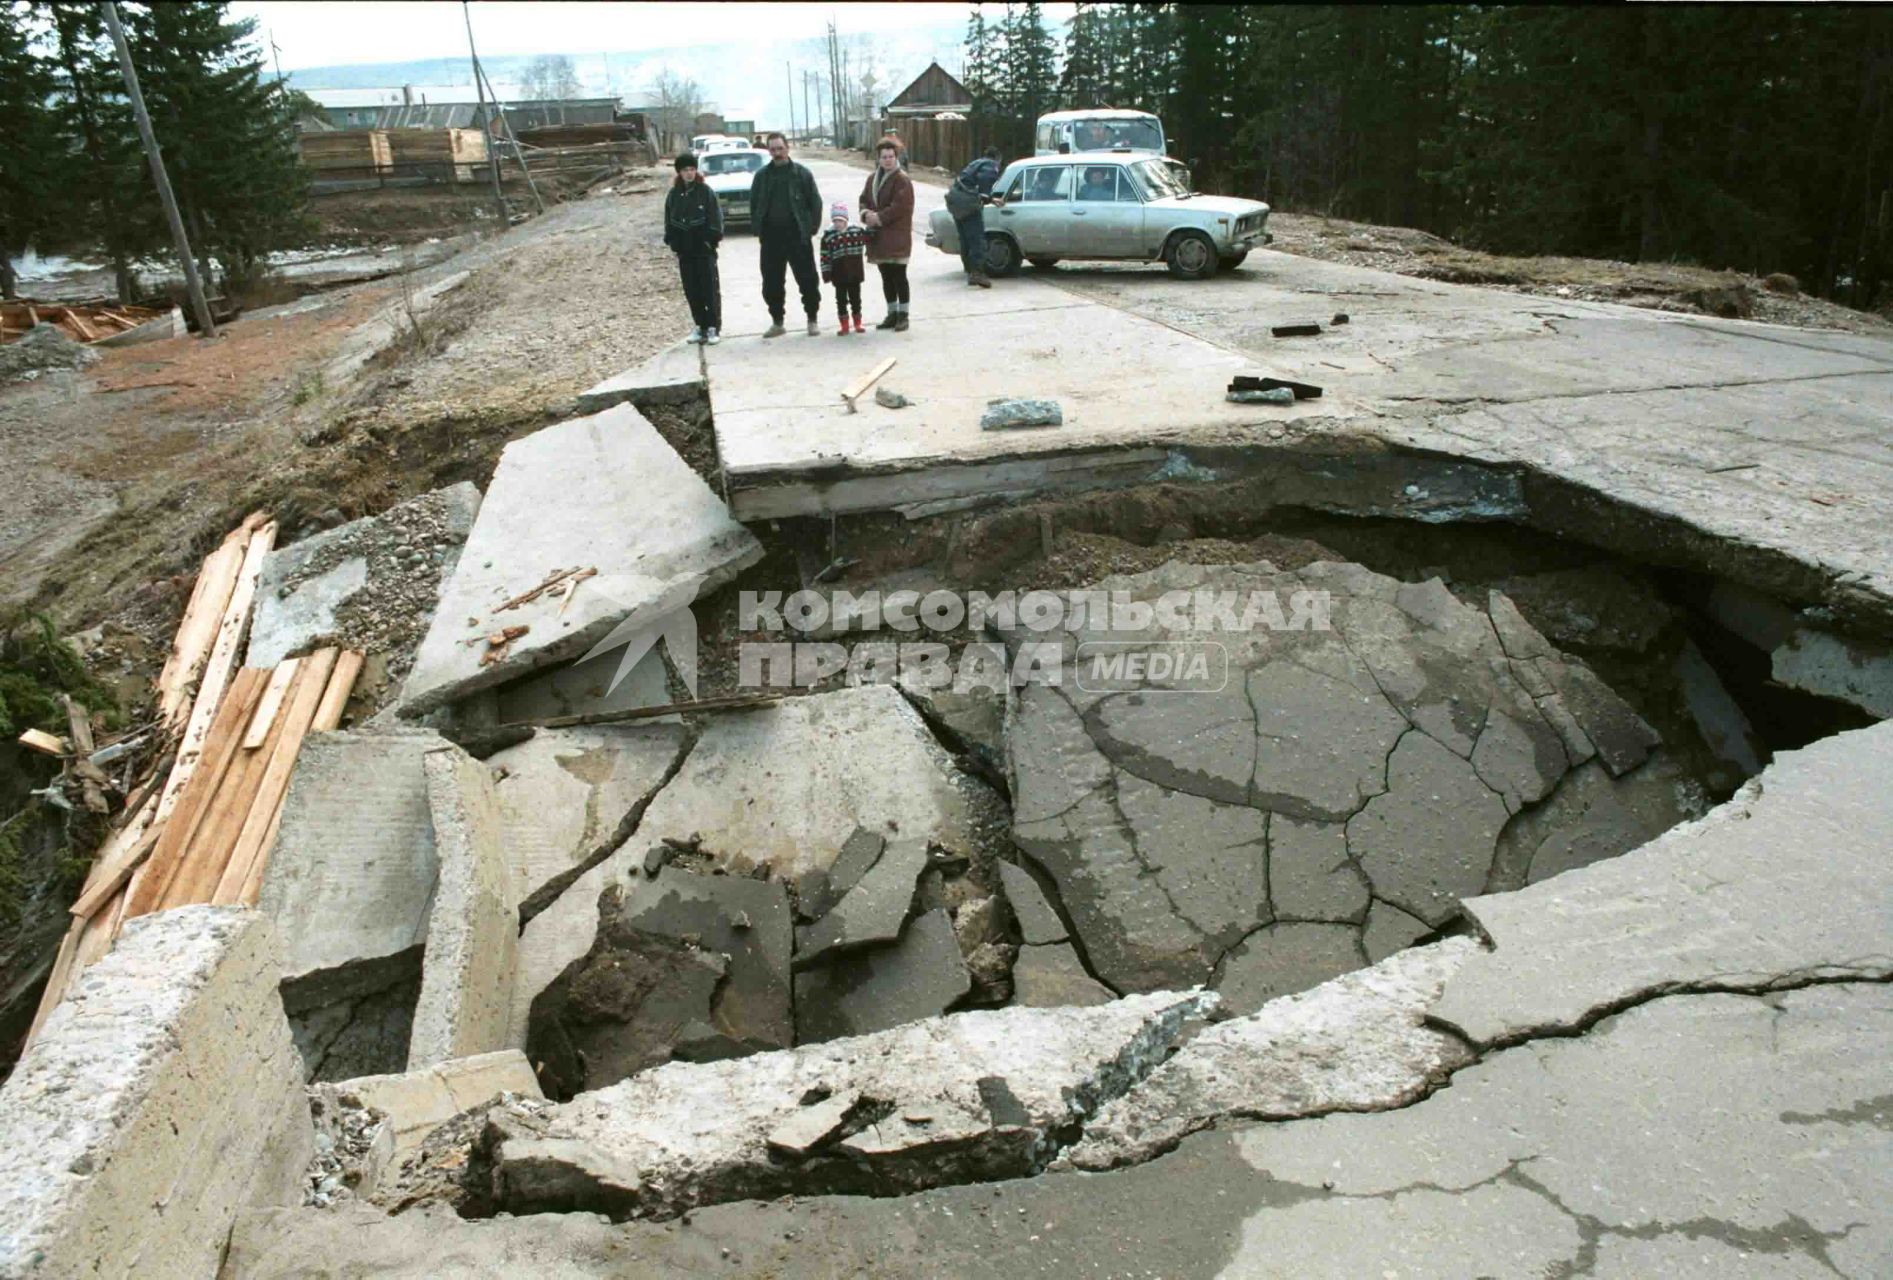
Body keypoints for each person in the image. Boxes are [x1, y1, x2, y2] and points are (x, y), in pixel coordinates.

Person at [748, 131, 825, 337]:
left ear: (787, 148)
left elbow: (815, 203)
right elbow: (754, 204)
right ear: (768, 151)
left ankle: (812, 319)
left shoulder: (802, 174)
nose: (777, 153)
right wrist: (758, 228)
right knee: (771, 283)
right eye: (773, 149)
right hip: (771, 239)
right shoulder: (762, 177)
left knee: (808, 281)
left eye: (780, 148)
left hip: (797, 237)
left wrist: (811, 228)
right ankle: (777, 322)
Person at [663, 152, 723, 345]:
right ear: (679, 172)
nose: (689, 173)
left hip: (703, 250)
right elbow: (669, 220)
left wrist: (710, 240)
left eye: (692, 169)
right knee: (692, 289)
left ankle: (713, 327)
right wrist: (673, 242)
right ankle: (700, 326)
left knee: (709, 289)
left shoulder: (705, 192)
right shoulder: (674, 195)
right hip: (685, 250)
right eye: (685, 170)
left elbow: (715, 219)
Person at [859, 138, 915, 332]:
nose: (888, 160)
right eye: (884, 157)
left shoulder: (902, 179)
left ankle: (903, 315)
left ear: (896, 157)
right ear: (879, 158)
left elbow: (901, 207)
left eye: (891, 156)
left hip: (897, 236)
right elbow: (864, 199)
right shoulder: (872, 179)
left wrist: (879, 217)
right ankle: (891, 313)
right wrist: (865, 214)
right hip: (878, 237)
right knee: (886, 276)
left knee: (899, 276)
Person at [945, 147, 1002, 288]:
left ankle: (970, 271)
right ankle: (977, 274)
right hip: (967, 204)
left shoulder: (976, 163)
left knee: (965, 238)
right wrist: (986, 195)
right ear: (997, 158)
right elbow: (985, 180)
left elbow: (969, 183)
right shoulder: (991, 165)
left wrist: (990, 199)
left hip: (954, 200)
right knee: (977, 239)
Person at [820, 202, 870, 334]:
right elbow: (824, 256)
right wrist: (826, 272)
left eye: (840, 220)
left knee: (856, 299)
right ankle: (844, 325)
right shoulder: (828, 237)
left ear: (846, 220)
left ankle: (858, 323)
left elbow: (869, 238)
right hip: (838, 275)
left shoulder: (856, 232)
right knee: (841, 301)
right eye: (835, 221)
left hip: (855, 273)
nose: (838, 224)